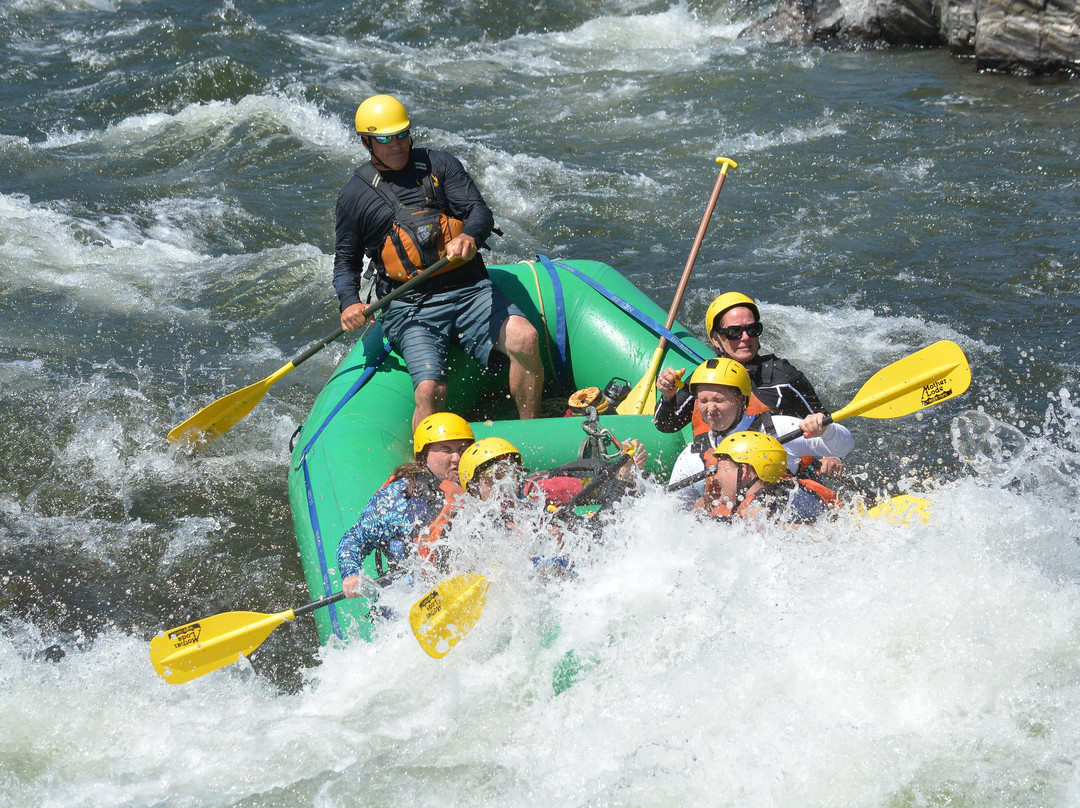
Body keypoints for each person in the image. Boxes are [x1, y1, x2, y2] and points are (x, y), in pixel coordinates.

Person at [333, 93, 544, 430]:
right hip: (409, 305)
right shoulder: (355, 196)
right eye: (385, 139)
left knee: (526, 338)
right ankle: (425, 471)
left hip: (469, 290)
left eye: (402, 134)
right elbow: (345, 262)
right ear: (367, 143)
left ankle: (533, 432)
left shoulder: (440, 165)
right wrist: (349, 303)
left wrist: (470, 235)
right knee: (431, 389)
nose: (397, 145)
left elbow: (480, 211)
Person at [654, 291, 844, 477]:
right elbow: (666, 425)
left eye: (752, 329)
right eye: (734, 332)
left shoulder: (783, 377)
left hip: (782, 478)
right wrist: (668, 396)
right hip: (720, 479)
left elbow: (823, 420)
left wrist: (831, 457)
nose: (745, 337)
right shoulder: (705, 380)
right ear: (716, 339)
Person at [665, 357, 852, 505]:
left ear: (741, 400)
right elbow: (674, 511)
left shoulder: (777, 429)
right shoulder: (692, 454)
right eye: (703, 401)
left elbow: (844, 447)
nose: (710, 409)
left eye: (719, 400)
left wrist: (826, 431)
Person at [337, 412, 474, 598]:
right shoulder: (400, 496)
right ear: (424, 454)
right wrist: (351, 574)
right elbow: (354, 541)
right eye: (446, 449)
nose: (457, 458)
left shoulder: (480, 485)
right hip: (410, 594)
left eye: (463, 449)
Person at [698, 431, 839, 523]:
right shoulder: (795, 490)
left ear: (744, 470)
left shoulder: (756, 512)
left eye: (722, 469)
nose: (716, 478)